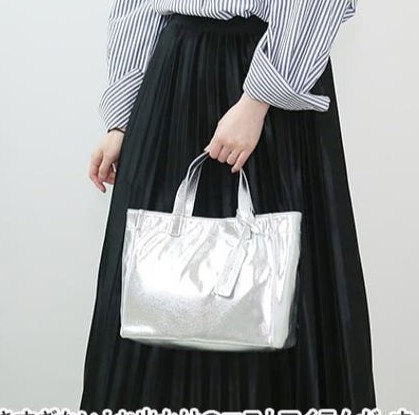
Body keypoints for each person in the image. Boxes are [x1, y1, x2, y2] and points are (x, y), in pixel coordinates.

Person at [82, 0, 377, 412]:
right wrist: (122, 118)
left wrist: (259, 99)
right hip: (172, 80)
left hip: (268, 79)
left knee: (273, 293)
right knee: (153, 291)